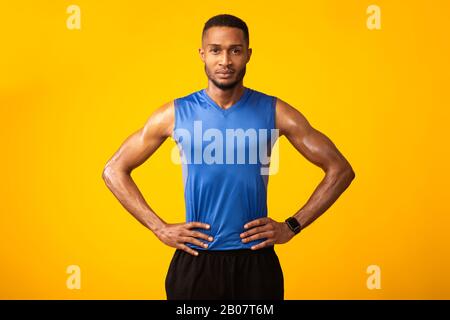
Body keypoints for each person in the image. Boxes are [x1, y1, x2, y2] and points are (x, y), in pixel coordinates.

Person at [102, 14, 355, 300]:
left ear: (248, 55)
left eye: (235, 50)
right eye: (215, 50)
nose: (225, 61)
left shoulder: (275, 111)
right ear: (202, 54)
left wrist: (291, 226)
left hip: (256, 264)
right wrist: (158, 227)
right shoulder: (174, 114)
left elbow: (340, 169)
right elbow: (113, 170)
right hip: (197, 262)